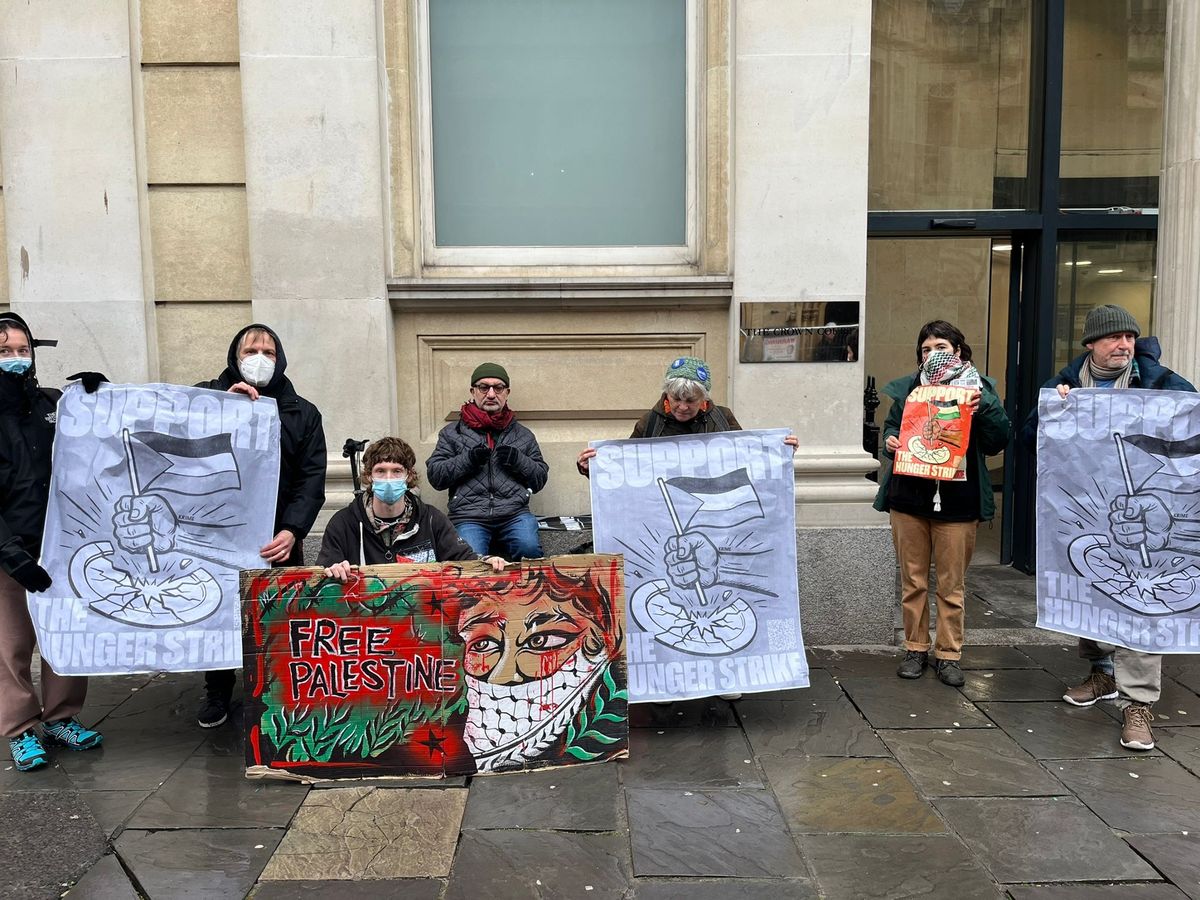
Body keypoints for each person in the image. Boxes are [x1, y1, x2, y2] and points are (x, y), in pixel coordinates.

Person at [577, 356, 799, 701]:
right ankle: (666, 677)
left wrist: (780, 454)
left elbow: (750, 461)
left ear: (704, 400)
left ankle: (725, 675)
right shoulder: (649, 422)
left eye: (690, 400)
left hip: (714, 526)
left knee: (715, 591)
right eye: (675, 398)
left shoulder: (722, 418)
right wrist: (591, 466)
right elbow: (622, 474)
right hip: (665, 523)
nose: (681, 406)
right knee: (672, 595)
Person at [1023, 304, 1194, 751]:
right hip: (1089, 516)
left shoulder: (1160, 383)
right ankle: (1103, 673)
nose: (1124, 345)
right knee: (1093, 596)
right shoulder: (1064, 383)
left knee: (1141, 606)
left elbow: (1191, 426)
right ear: (1091, 345)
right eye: (1115, 338)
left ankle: (1139, 704)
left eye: (1130, 338)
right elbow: (1026, 440)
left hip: (1144, 520)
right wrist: (1052, 412)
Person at [194, 324, 327, 728]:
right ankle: (217, 690)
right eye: (251, 350)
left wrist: (293, 530)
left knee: (280, 615)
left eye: (269, 352)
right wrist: (222, 409)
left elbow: (311, 477)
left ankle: (279, 688)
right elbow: (172, 431)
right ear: (234, 356)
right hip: (217, 533)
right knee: (216, 612)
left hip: (277, 537)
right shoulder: (206, 396)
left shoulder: (301, 411)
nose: (260, 358)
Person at [874, 321, 1011, 687]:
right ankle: (915, 648)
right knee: (912, 580)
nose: (932, 354)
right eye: (925, 349)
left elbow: (1000, 439)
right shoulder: (909, 390)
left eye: (941, 347)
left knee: (952, 585)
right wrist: (890, 440)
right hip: (909, 499)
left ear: (959, 351)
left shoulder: (980, 390)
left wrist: (984, 408)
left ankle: (949, 654)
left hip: (959, 501)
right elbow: (890, 428)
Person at [0, 313, 105, 770]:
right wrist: (11, 555)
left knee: (67, 635)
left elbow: (101, 439)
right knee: (11, 643)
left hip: (60, 545)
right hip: (9, 549)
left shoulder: (50, 404)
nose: (16, 359)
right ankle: (20, 729)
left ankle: (61, 715)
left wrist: (101, 397)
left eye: (23, 350)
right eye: (5, 351)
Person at [318, 436, 506, 579]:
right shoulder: (343, 523)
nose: (389, 478)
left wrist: (487, 562)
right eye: (381, 471)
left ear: (408, 476)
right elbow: (321, 574)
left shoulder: (432, 520)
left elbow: (464, 559)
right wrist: (332, 571)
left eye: (397, 471)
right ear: (369, 476)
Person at [425, 363, 548, 561]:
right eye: (484, 387)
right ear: (473, 391)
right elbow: (436, 476)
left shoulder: (522, 435)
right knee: (469, 561)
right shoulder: (451, 433)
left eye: (498, 388)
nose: (491, 394)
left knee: (529, 548)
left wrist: (518, 460)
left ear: (507, 392)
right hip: (468, 515)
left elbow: (540, 478)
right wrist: (468, 459)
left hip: (514, 513)